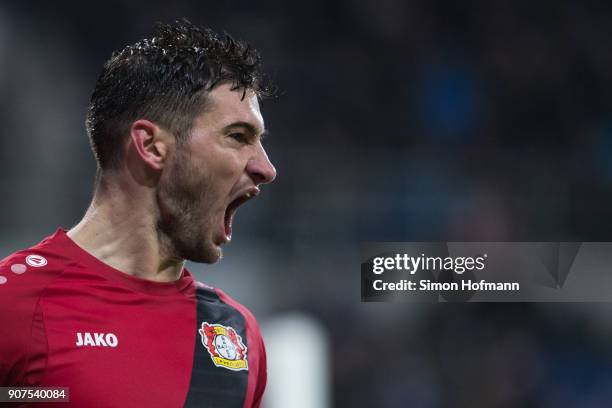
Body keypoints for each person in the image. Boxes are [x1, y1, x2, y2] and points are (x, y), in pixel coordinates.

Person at [0, 19, 276, 407]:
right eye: (237, 136)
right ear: (151, 146)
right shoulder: (13, 305)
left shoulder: (236, 335)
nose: (266, 168)